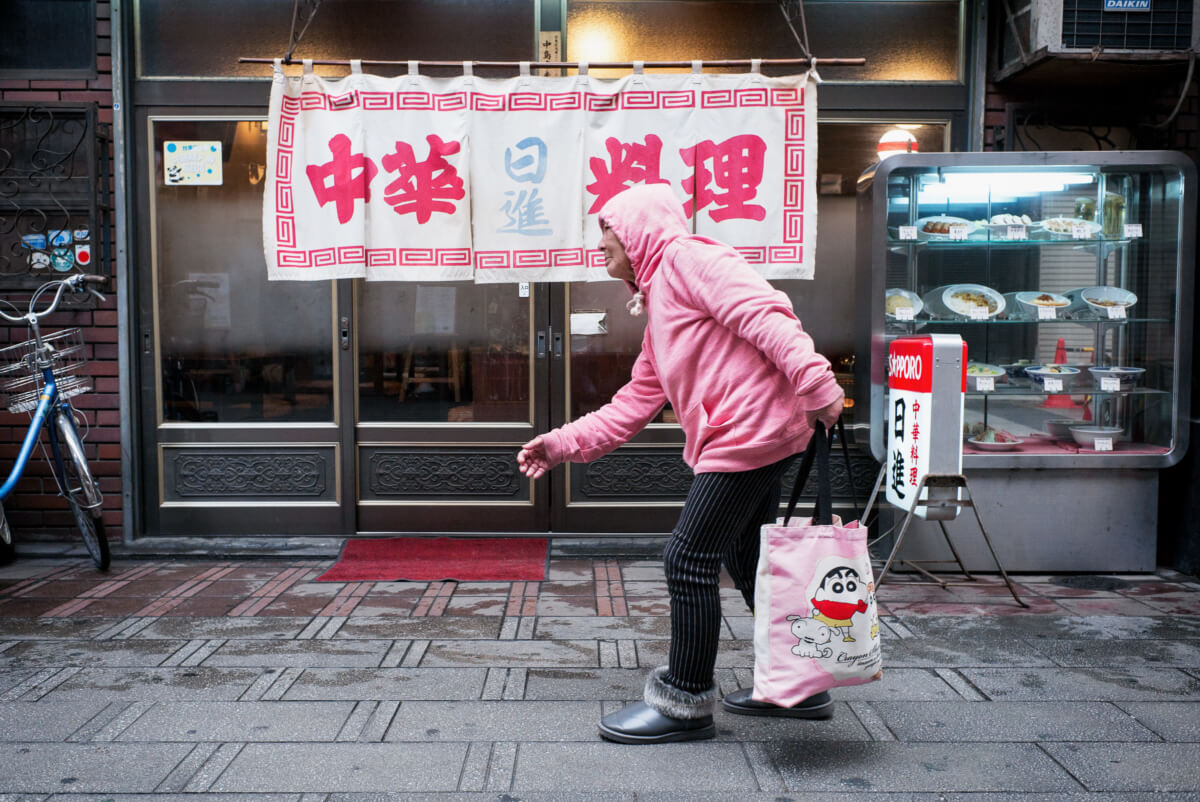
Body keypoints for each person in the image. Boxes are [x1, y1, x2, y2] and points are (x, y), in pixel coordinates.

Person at [516, 183, 845, 744]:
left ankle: (684, 702)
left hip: (748, 435)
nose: (600, 246)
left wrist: (817, 385)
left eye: (608, 231)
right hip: (749, 434)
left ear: (638, 230)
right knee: (745, 556)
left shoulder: (690, 258)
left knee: (687, 558)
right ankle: (799, 683)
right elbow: (632, 405)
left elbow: (767, 316)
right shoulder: (662, 306)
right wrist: (559, 444)